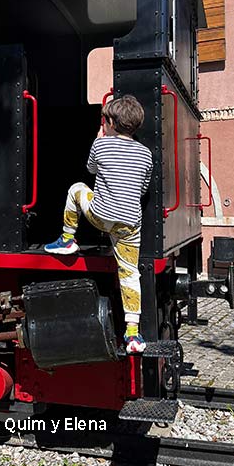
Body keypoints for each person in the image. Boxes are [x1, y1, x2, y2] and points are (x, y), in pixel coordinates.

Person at [45, 95, 153, 354]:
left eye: (105, 120)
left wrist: (98, 139)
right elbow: (144, 187)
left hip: (101, 216)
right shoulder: (146, 154)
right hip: (129, 224)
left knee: (76, 189)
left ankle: (68, 239)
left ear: (111, 122)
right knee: (130, 274)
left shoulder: (101, 145)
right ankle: (133, 335)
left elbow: (91, 169)